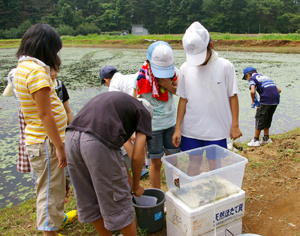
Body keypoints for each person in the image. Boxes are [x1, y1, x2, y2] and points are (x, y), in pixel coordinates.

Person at [13, 23, 76, 236]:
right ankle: (49, 231)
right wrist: (59, 146)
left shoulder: (22, 68)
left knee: (51, 188)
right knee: (50, 193)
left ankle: (54, 223)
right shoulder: (36, 73)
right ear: (45, 47)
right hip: (46, 143)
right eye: (55, 50)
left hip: (38, 140)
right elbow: (45, 114)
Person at [64, 91, 153, 236]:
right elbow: (137, 157)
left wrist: (129, 180)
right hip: (95, 143)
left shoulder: (119, 105)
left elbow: (113, 151)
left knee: (89, 197)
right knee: (119, 200)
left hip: (71, 138)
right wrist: (136, 186)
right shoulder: (144, 112)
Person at [172, 21, 242, 175]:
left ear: (210, 45)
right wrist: (178, 128)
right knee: (194, 162)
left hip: (216, 128)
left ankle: (215, 193)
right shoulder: (185, 68)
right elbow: (183, 99)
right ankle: (192, 191)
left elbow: (233, 96)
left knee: (214, 164)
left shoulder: (225, 66)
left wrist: (235, 124)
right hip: (192, 128)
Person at [133, 41, 181, 189]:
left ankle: (176, 191)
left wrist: (168, 86)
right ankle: (158, 194)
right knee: (156, 162)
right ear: (147, 61)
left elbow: (182, 92)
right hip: (152, 128)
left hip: (171, 124)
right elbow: (135, 103)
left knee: (173, 160)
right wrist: (136, 129)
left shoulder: (175, 73)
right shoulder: (140, 78)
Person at [242, 67, 281, 147]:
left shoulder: (252, 78)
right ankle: (266, 138)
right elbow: (279, 90)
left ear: (248, 75)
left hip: (266, 99)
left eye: (246, 78)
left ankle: (255, 140)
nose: (247, 80)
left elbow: (252, 91)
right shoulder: (265, 77)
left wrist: (253, 101)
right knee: (268, 117)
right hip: (275, 99)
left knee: (260, 117)